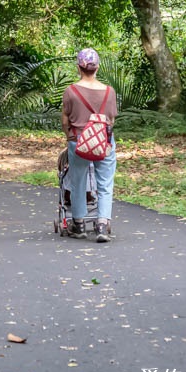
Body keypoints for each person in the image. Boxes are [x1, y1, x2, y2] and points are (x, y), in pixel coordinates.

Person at [61, 48, 118, 242]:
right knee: (105, 183)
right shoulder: (110, 92)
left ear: (79, 67)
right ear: (97, 67)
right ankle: (102, 224)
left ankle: (78, 224)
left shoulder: (71, 91)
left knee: (78, 181)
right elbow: (111, 119)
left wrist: (69, 136)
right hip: (104, 141)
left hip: (78, 141)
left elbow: (64, 120)